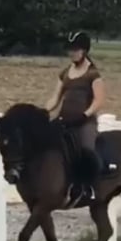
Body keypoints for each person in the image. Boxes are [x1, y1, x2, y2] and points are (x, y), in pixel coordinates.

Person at [45, 31, 105, 197]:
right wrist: (43, 111)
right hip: (65, 119)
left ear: (84, 51)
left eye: (75, 50)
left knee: (86, 148)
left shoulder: (93, 74)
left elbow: (99, 100)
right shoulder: (65, 73)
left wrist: (84, 115)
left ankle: (90, 186)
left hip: (84, 122)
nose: (71, 53)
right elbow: (55, 98)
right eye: (70, 50)